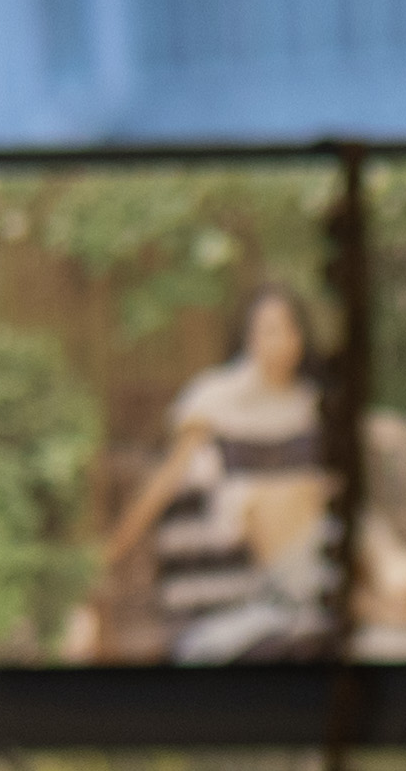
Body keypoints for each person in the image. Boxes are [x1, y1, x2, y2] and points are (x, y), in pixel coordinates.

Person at [68, 283, 340, 663]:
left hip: (313, 547)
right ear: (248, 336)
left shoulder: (311, 406)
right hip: (247, 567)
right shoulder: (216, 399)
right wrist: (101, 561)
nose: (280, 342)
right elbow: (163, 484)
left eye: (290, 329)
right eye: (268, 329)